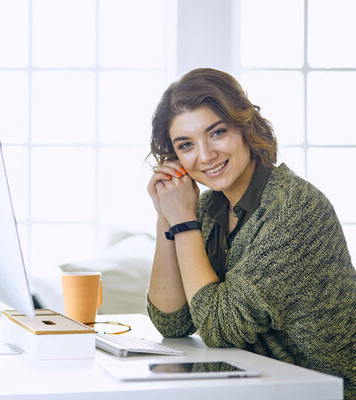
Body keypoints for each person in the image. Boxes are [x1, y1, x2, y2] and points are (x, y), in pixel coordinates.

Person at [146, 68, 356, 399]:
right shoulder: (207, 207)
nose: (205, 156)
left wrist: (183, 222)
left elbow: (219, 327)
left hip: (316, 392)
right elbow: (171, 324)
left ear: (245, 127)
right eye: (186, 145)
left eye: (216, 132)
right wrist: (167, 216)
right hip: (253, 385)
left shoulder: (293, 209)